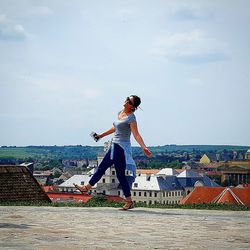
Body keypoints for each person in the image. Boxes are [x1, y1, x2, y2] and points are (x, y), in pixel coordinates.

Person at [74, 95, 152, 210]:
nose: (125, 101)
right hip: (114, 145)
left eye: (128, 101)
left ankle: (128, 201)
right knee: (104, 169)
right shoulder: (120, 113)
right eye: (127, 99)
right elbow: (115, 128)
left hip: (121, 148)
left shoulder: (131, 118)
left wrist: (144, 147)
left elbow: (136, 134)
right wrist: (101, 135)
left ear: (132, 106)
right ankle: (87, 188)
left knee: (116, 173)